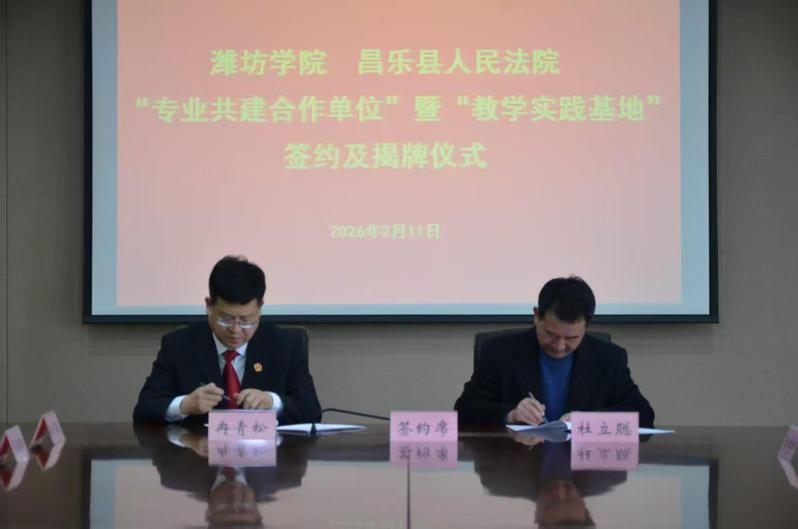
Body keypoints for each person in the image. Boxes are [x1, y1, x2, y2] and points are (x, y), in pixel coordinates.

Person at [133, 255, 321, 424]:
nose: (235, 330)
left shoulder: (285, 345)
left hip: (268, 451)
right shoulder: (179, 345)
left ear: (260, 308)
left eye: (246, 320)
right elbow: (144, 409)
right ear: (209, 306)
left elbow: (312, 411)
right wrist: (184, 405)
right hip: (198, 451)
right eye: (226, 319)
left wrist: (273, 402)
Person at [455, 276, 654, 427]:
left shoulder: (609, 358)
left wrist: (590, 421)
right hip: (517, 462)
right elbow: (465, 410)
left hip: (583, 465)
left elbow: (643, 414)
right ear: (536, 316)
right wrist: (511, 414)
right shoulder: (500, 352)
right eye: (551, 334)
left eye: (571, 338)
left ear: (587, 326)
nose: (559, 346)